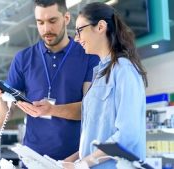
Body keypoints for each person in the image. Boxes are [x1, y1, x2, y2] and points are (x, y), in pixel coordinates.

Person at [0, 0, 99, 162]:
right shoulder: (23, 59)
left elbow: (90, 111)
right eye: (40, 22)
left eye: (52, 21)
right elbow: (4, 116)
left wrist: (51, 110)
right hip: (32, 158)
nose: (46, 29)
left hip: (74, 160)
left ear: (66, 18)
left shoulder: (88, 55)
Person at [63, 2, 148, 169]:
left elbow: (127, 136)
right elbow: (96, 138)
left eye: (80, 30)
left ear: (100, 26)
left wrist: (83, 164)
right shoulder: (99, 73)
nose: (76, 38)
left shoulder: (124, 70)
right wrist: (69, 161)